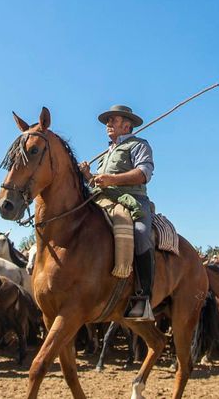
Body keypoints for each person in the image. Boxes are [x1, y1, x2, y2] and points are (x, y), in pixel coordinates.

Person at [79, 104, 156, 321]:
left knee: (141, 234)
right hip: (103, 199)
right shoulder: (106, 152)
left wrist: (112, 180)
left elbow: (143, 173)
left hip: (134, 200)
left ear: (127, 125)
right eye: (107, 121)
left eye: (113, 120)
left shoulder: (139, 145)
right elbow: (99, 183)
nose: (108, 124)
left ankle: (142, 297)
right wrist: (88, 176)